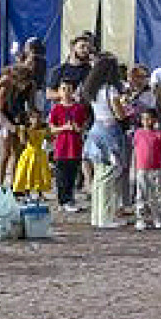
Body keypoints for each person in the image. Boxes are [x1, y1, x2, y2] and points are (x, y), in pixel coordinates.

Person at [83, 54, 127, 229]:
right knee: (108, 176)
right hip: (110, 132)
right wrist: (125, 107)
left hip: (96, 130)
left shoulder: (93, 90)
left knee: (99, 177)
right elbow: (120, 115)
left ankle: (97, 216)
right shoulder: (111, 90)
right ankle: (106, 218)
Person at [48, 80, 87, 212]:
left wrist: (77, 128)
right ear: (59, 91)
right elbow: (52, 129)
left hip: (75, 146)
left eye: (69, 89)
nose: (66, 92)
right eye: (63, 89)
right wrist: (64, 127)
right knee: (61, 175)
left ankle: (69, 198)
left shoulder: (78, 108)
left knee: (72, 174)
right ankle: (63, 200)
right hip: (61, 147)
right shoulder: (56, 108)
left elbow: (82, 127)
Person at [131, 107, 161, 229]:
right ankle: (141, 219)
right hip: (142, 169)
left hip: (156, 168)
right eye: (143, 119)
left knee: (155, 195)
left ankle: (156, 217)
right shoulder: (138, 133)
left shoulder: (159, 134)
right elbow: (135, 149)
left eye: (148, 119)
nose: (146, 121)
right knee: (141, 194)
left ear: (154, 120)